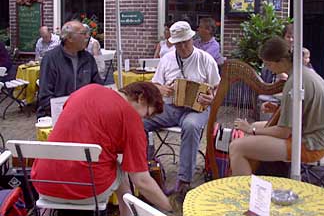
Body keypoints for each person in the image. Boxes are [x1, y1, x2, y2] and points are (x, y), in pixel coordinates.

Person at [32, 82, 173, 216]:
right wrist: (170, 207)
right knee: (120, 167)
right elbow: (141, 181)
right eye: (147, 114)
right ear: (141, 98)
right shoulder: (131, 119)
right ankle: (127, 212)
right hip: (87, 191)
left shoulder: (87, 89)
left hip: (44, 184)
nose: (144, 119)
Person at [229, 37, 324, 176]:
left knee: (237, 147)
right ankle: (255, 173)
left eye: (268, 64)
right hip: (316, 134)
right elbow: (303, 110)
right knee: (256, 126)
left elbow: (283, 132)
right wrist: (278, 109)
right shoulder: (304, 72)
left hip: (311, 144)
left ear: (281, 61)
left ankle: (245, 193)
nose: (268, 68)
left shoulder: (294, 83)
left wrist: (251, 129)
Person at [144, 21, 220, 194]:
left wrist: (211, 97)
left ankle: (184, 180)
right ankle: (147, 165)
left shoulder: (205, 58)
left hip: (197, 108)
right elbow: (155, 84)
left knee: (191, 125)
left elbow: (217, 87)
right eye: (179, 43)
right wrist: (161, 89)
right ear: (174, 43)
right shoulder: (167, 58)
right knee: (140, 120)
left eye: (186, 41)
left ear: (192, 39)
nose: (183, 46)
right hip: (170, 106)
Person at [37, 20, 103, 118]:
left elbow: (97, 87)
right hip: (56, 115)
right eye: (83, 34)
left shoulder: (88, 58)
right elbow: (45, 96)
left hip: (84, 113)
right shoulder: (50, 59)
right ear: (69, 38)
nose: (87, 37)